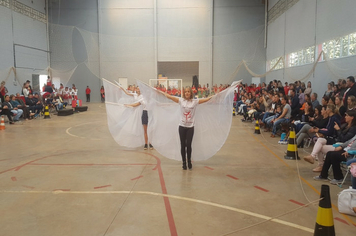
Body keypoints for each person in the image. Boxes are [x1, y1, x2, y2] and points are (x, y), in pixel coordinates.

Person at [159, 86, 212, 170]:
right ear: (184, 93)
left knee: (189, 145)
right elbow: (169, 96)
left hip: (190, 127)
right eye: (186, 91)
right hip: (182, 127)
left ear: (191, 93)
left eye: (188, 91)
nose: (187, 93)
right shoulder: (181, 100)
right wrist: (159, 92)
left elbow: (206, 99)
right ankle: (184, 162)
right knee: (183, 145)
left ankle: (189, 161)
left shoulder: (195, 102)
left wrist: (217, 95)